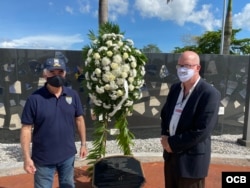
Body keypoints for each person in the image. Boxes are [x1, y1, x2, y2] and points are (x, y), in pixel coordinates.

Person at [20, 58, 88, 188]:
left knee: (68, 185)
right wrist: (26, 158)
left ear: (65, 73)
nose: (57, 76)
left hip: (68, 156)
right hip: (43, 159)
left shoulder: (73, 95)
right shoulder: (34, 99)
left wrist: (83, 144)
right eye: (52, 72)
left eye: (60, 72)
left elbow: (79, 119)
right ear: (45, 74)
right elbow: (26, 129)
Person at [160, 51, 221, 188]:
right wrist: (165, 134)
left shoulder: (209, 94)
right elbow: (165, 114)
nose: (182, 69)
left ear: (197, 68)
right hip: (171, 157)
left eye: (187, 65)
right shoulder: (175, 88)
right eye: (179, 65)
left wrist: (172, 143)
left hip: (191, 162)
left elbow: (202, 130)